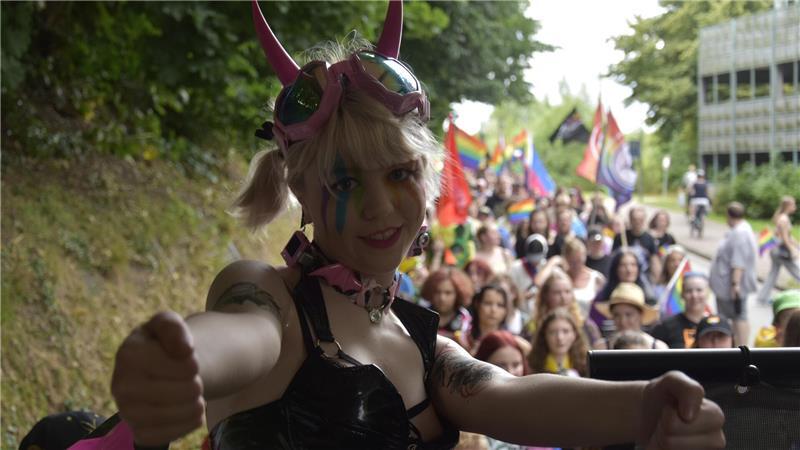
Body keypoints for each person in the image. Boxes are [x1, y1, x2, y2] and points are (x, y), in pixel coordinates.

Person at [107, 2, 726, 449]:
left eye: (399, 173)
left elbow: (508, 397)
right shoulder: (270, 300)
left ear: (428, 179)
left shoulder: (421, 341)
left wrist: (645, 406)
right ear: (301, 192)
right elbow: (239, 339)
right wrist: (184, 357)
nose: (380, 207)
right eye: (345, 182)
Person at [709, 202, 757, 346]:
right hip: (728, 284)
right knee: (738, 316)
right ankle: (738, 346)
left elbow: (738, 262)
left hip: (731, 286)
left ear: (729, 215)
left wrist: (735, 285)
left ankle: (742, 348)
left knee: (739, 317)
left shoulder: (740, 233)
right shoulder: (739, 229)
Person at [756, 196, 800, 304]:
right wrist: (793, 251)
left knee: (773, 274)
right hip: (782, 252)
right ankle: (762, 298)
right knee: (797, 273)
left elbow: (787, 236)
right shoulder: (784, 219)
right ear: (788, 206)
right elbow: (784, 238)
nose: (795, 207)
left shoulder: (780, 217)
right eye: (793, 204)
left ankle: (762, 297)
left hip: (775, 250)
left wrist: (797, 245)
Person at [596, 283, 668, 350]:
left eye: (629, 315)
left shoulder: (658, 348)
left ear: (640, 315)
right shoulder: (601, 348)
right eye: (616, 315)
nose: (622, 321)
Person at [651, 272, 710, 349]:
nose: (694, 295)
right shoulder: (666, 326)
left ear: (707, 293)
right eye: (689, 291)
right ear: (682, 294)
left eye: (699, 290)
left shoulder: (716, 324)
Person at [420, 268, 474, 348]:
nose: (442, 298)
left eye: (448, 293)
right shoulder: (422, 314)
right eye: (438, 292)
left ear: (458, 294)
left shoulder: (463, 317)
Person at [528, 309, 587, 377]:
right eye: (552, 332)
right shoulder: (531, 367)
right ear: (544, 335)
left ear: (575, 334)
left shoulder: (586, 365)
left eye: (566, 331)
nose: (560, 337)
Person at [563, 236, 606, 321]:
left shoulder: (597, 278)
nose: (576, 265)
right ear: (566, 259)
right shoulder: (561, 278)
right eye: (572, 261)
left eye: (579, 260)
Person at [688, 171, 711, 237]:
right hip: (704, 200)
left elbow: (691, 190)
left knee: (691, 206)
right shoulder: (706, 183)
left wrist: (691, 193)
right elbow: (708, 192)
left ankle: (692, 217)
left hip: (696, 199)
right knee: (704, 213)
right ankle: (703, 219)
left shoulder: (695, 183)